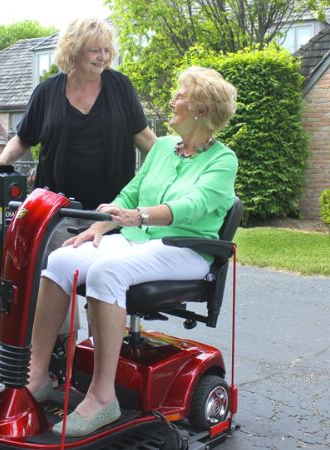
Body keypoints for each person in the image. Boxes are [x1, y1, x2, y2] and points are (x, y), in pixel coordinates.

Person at [26, 66, 239, 437]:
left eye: (181, 95)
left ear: (202, 109)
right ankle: (38, 374)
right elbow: (130, 192)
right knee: (60, 259)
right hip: (139, 239)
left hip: (186, 247)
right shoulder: (160, 149)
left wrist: (140, 217)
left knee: (107, 270)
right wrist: (102, 223)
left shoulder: (223, 160)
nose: (173, 100)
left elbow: (195, 204)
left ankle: (102, 396)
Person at [0, 17, 156, 211]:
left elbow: (144, 136)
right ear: (74, 51)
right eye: (94, 50)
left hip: (113, 207)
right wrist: (2, 160)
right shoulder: (47, 91)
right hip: (55, 207)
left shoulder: (121, 86)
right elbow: (23, 139)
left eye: (106, 50)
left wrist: (180, 159)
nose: (103, 57)